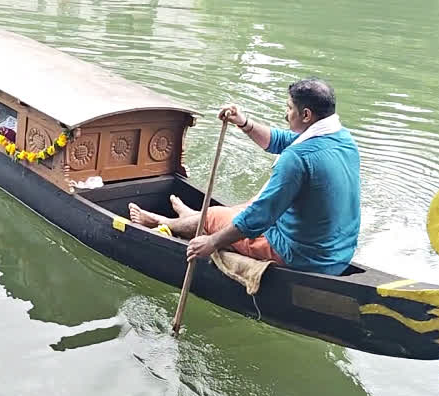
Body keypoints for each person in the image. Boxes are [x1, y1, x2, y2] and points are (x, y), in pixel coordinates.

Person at [128, 78, 361, 275]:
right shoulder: (343, 140)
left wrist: (211, 242)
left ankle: (165, 222)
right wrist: (245, 123)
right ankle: (191, 217)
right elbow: (279, 140)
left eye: (289, 108)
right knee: (244, 206)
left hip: (301, 255)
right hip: (338, 252)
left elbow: (259, 217)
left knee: (215, 216)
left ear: (307, 115)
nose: (285, 113)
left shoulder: (297, 158)